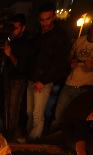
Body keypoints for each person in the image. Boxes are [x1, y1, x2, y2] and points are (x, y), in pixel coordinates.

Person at [51, 8, 93, 131]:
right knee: (58, 116)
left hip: (86, 88)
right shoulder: (80, 40)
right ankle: (51, 145)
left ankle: (69, 144)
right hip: (69, 84)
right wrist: (71, 63)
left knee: (76, 119)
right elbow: (69, 59)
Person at [26, 2, 71, 140]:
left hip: (43, 82)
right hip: (32, 78)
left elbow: (59, 63)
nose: (45, 22)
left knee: (37, 113)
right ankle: (29, 136)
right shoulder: (39, 34)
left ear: (54, 17)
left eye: (48, 19)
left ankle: (34, 139)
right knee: (29, 111)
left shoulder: (60, 36)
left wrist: (44, 80)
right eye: (42, 19)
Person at [3, 14, 31, 141]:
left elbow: (22, 66)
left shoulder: (25, 43)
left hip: (17, 79)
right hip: (8, 77)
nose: (13, 30)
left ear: (23, 28)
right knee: (7, 105)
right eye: (12, 27)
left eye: (16, 27)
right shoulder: (11, 40)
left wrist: (10, 54)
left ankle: (11, 134)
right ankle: (7, 130)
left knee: (14, 107)